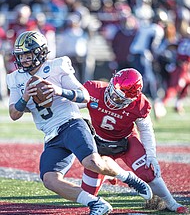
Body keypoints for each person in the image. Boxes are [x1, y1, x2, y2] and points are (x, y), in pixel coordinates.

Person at [6, 31, 153, 215]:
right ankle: (96, 203)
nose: (24, 60)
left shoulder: (57, 66)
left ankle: (128, 177)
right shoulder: (15, 78)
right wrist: (25, 97)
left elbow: (84, 95)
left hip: (71, 124)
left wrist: (59, 91)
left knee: (93, 163)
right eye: (21, 56)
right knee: (50, 180)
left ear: (40, 53)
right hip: (51, 135)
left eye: (28, 55)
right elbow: (14, 113)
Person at [79, 68, 188, 214]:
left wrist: (151, 155)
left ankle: (171, 202)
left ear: (133, 98)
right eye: (112, 92)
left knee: (149, 173)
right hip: (98, 142)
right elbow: (70, 107)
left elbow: (146, 130)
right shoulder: (93, 89)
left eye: (119, 99)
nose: (112, 99)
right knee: (87, 194)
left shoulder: (139, 104)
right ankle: (109, 172)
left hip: (126, 141)